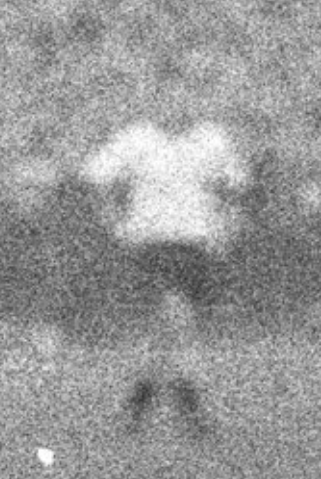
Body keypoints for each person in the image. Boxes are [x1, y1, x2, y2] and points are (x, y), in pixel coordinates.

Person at [75, 81, 249, 437]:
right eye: (168, 95)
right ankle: (191, 406)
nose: (176, 104)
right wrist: (116, 223)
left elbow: (235, 186)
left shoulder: (210, 139)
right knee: (177, 319)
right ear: (157, 99)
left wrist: (226, 227)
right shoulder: (137, 138)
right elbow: (95, 178)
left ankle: (137, 403)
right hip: (152, 244)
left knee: (166, 331)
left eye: (183, 96)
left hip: (197, 246)